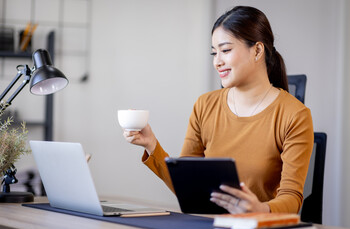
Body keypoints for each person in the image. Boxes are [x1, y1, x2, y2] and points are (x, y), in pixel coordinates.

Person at [123, 6, 314, 214]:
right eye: (214, 53)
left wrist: (260, 209)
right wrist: (152, 145)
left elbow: (292, 197)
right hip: (209, 228)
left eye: (226, 50)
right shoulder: (205, 105)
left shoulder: (295, 115)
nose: (217, 62)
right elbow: (188, 186)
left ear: (257, 50)